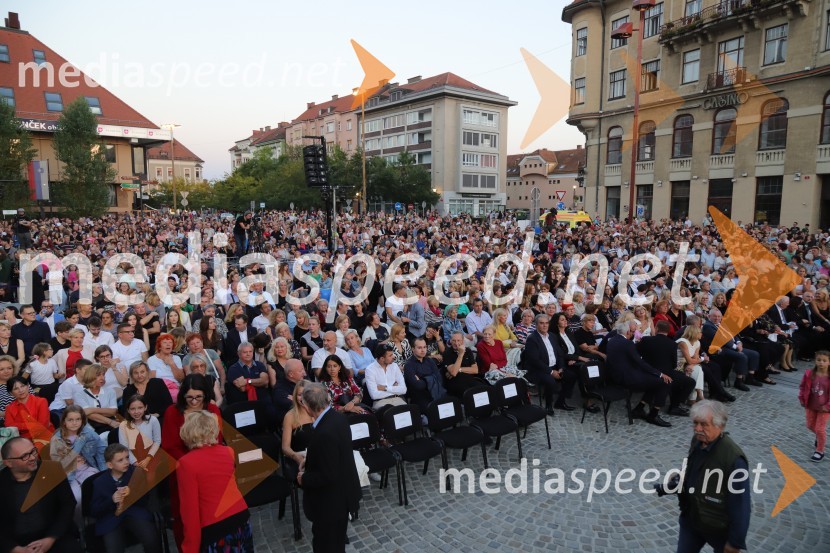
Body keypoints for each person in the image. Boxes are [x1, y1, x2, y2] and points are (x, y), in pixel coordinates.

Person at [675, 400, 750, 553]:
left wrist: (735, 542)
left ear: (720, 425)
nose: (697, 429)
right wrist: (679, 480)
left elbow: (741, 504)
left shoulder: (734, 459)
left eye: (703, 424)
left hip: (718, 526)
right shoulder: (697, 441)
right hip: (692, 518)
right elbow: (692, 469)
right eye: (695, 423)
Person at [161, 374, 223, 549]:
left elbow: (216, 439)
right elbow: (170, 446)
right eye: (189, 397)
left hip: (209, 472)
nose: (194, 401)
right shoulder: (172, 412)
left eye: (198, 397)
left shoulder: (212, 410)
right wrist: (193, 464)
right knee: (186, 515)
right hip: (183, 470)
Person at [298, 382, 361, 553]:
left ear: (307, 405)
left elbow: (328, 474)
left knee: (327, 546)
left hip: (330, 504)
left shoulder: (324, 432)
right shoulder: (337, 417)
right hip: (342, 495)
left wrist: (303, 478)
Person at [177, 410, 253, 553]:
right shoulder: (228, 452)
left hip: (215, 526)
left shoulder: (185, 463)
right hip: (241, 518)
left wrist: (190, 549)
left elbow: (189, 511)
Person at [0, 437, 82, 553]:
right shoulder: (2, 483)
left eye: (33, 451)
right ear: (8, 462)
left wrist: (50, 539)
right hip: (15, 544)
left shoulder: (52, 470)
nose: (33, 457)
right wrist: (16, 549)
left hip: (54, 537)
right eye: (25, 456)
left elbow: (68, 505)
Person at [90, 443, 161, 553]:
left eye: (127, 457)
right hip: (111, 517)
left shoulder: (136, 473)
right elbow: (95, 510)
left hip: (134, 511)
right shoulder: (99, 482)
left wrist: (131, 493)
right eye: (120, 460)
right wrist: (112, 500)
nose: (126, 462)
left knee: (151, 539)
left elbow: (145, 500)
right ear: (110, 465)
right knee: (114, 549)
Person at [606, 320, 673, 427]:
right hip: (627, 378)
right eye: (632, 332)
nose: (633, 334)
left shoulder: (612, 340)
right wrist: (660, 373)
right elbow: (640, 362)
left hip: (617, 375)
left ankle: (639, 408)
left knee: (655, 380)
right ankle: (653, 415)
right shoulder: (627, 343)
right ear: (627, 332)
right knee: (666, 381)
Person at [637, 320, 696, 417]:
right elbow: (674, 364)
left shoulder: (646, 340)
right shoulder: (672, 344)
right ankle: (675, 406)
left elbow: (637, 353)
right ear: (668, 332)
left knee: (678, 378)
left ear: (656, 329)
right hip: (664, 373)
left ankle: (672, 406)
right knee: (690, 382)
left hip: (647, 371)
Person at [521, 314, 577, 415]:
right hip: (538, 369)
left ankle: (560, 402)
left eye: (546, 323)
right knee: (550, 381)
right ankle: (548, 405)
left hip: (554, 367)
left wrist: (560, 368)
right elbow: (535, 361)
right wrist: (551, 372)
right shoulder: (532, 339)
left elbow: (560, 354)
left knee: (571, 376)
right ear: (536, 325)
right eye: (541, 323)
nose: (544, 325)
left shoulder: (552, 336)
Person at [798, 350, 830, 462]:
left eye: (824, 360)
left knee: (820, 429)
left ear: (829, 362)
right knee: (810, 426)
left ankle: (819, 450)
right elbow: (802, 387)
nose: (821, 362)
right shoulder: (809, 374)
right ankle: (819, 437)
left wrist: (828, 406)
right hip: (811, 405)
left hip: (825, 409)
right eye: (819, 360)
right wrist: (801, 398)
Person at [5, 374, 55, 445]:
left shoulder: (41, 401)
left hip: (43, 437)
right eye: (16, 389)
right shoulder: (9, 408)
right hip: (21, 441)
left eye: (22, 386)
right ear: (11, 393)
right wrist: (32, 424)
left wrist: (20, 426)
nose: (20, 390)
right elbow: (9, 426)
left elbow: (42, 426)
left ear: (28, 386)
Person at [118, 394, 162, 467]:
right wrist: (135, 463)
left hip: (152, 456)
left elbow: (157, 441)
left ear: (145, 407)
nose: (136, 412)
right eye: (132, 409)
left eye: (140, 408)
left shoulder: (153, 420)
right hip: (133, 460)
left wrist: (148, 458)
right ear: (128, 410)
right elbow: (124, 447)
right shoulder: (123, 425)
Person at [364, 344, 407, 410]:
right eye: (390, 355)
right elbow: (374, 395)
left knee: (409, 412)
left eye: (392, 354)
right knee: (390, 414)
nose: (394, 356)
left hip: (397, 399)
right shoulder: (370, 370)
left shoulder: (394, 366)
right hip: (380, 402)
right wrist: (395, 389)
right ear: (382, 359)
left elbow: (404, 390)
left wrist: (386, 388)